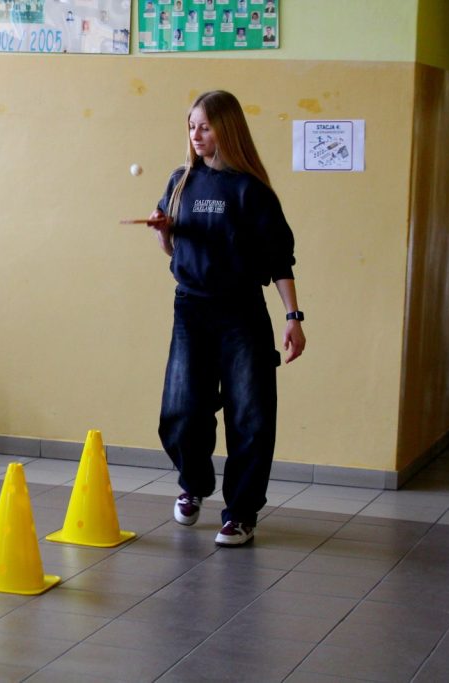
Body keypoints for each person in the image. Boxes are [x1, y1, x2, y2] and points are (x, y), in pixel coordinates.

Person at [146, 90, 305, 547]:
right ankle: (194, 484)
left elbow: (279, 260)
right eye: (191, 126)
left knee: (250, 415)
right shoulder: (181, 181)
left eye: (205, 126)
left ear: (227, 130)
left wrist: (293, 317)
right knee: (181, 409)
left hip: (241, 313)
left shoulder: (250, 190)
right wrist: (163, 232)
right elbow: (174, 251)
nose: (196, 135)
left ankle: (241, 513)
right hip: (190, 308)